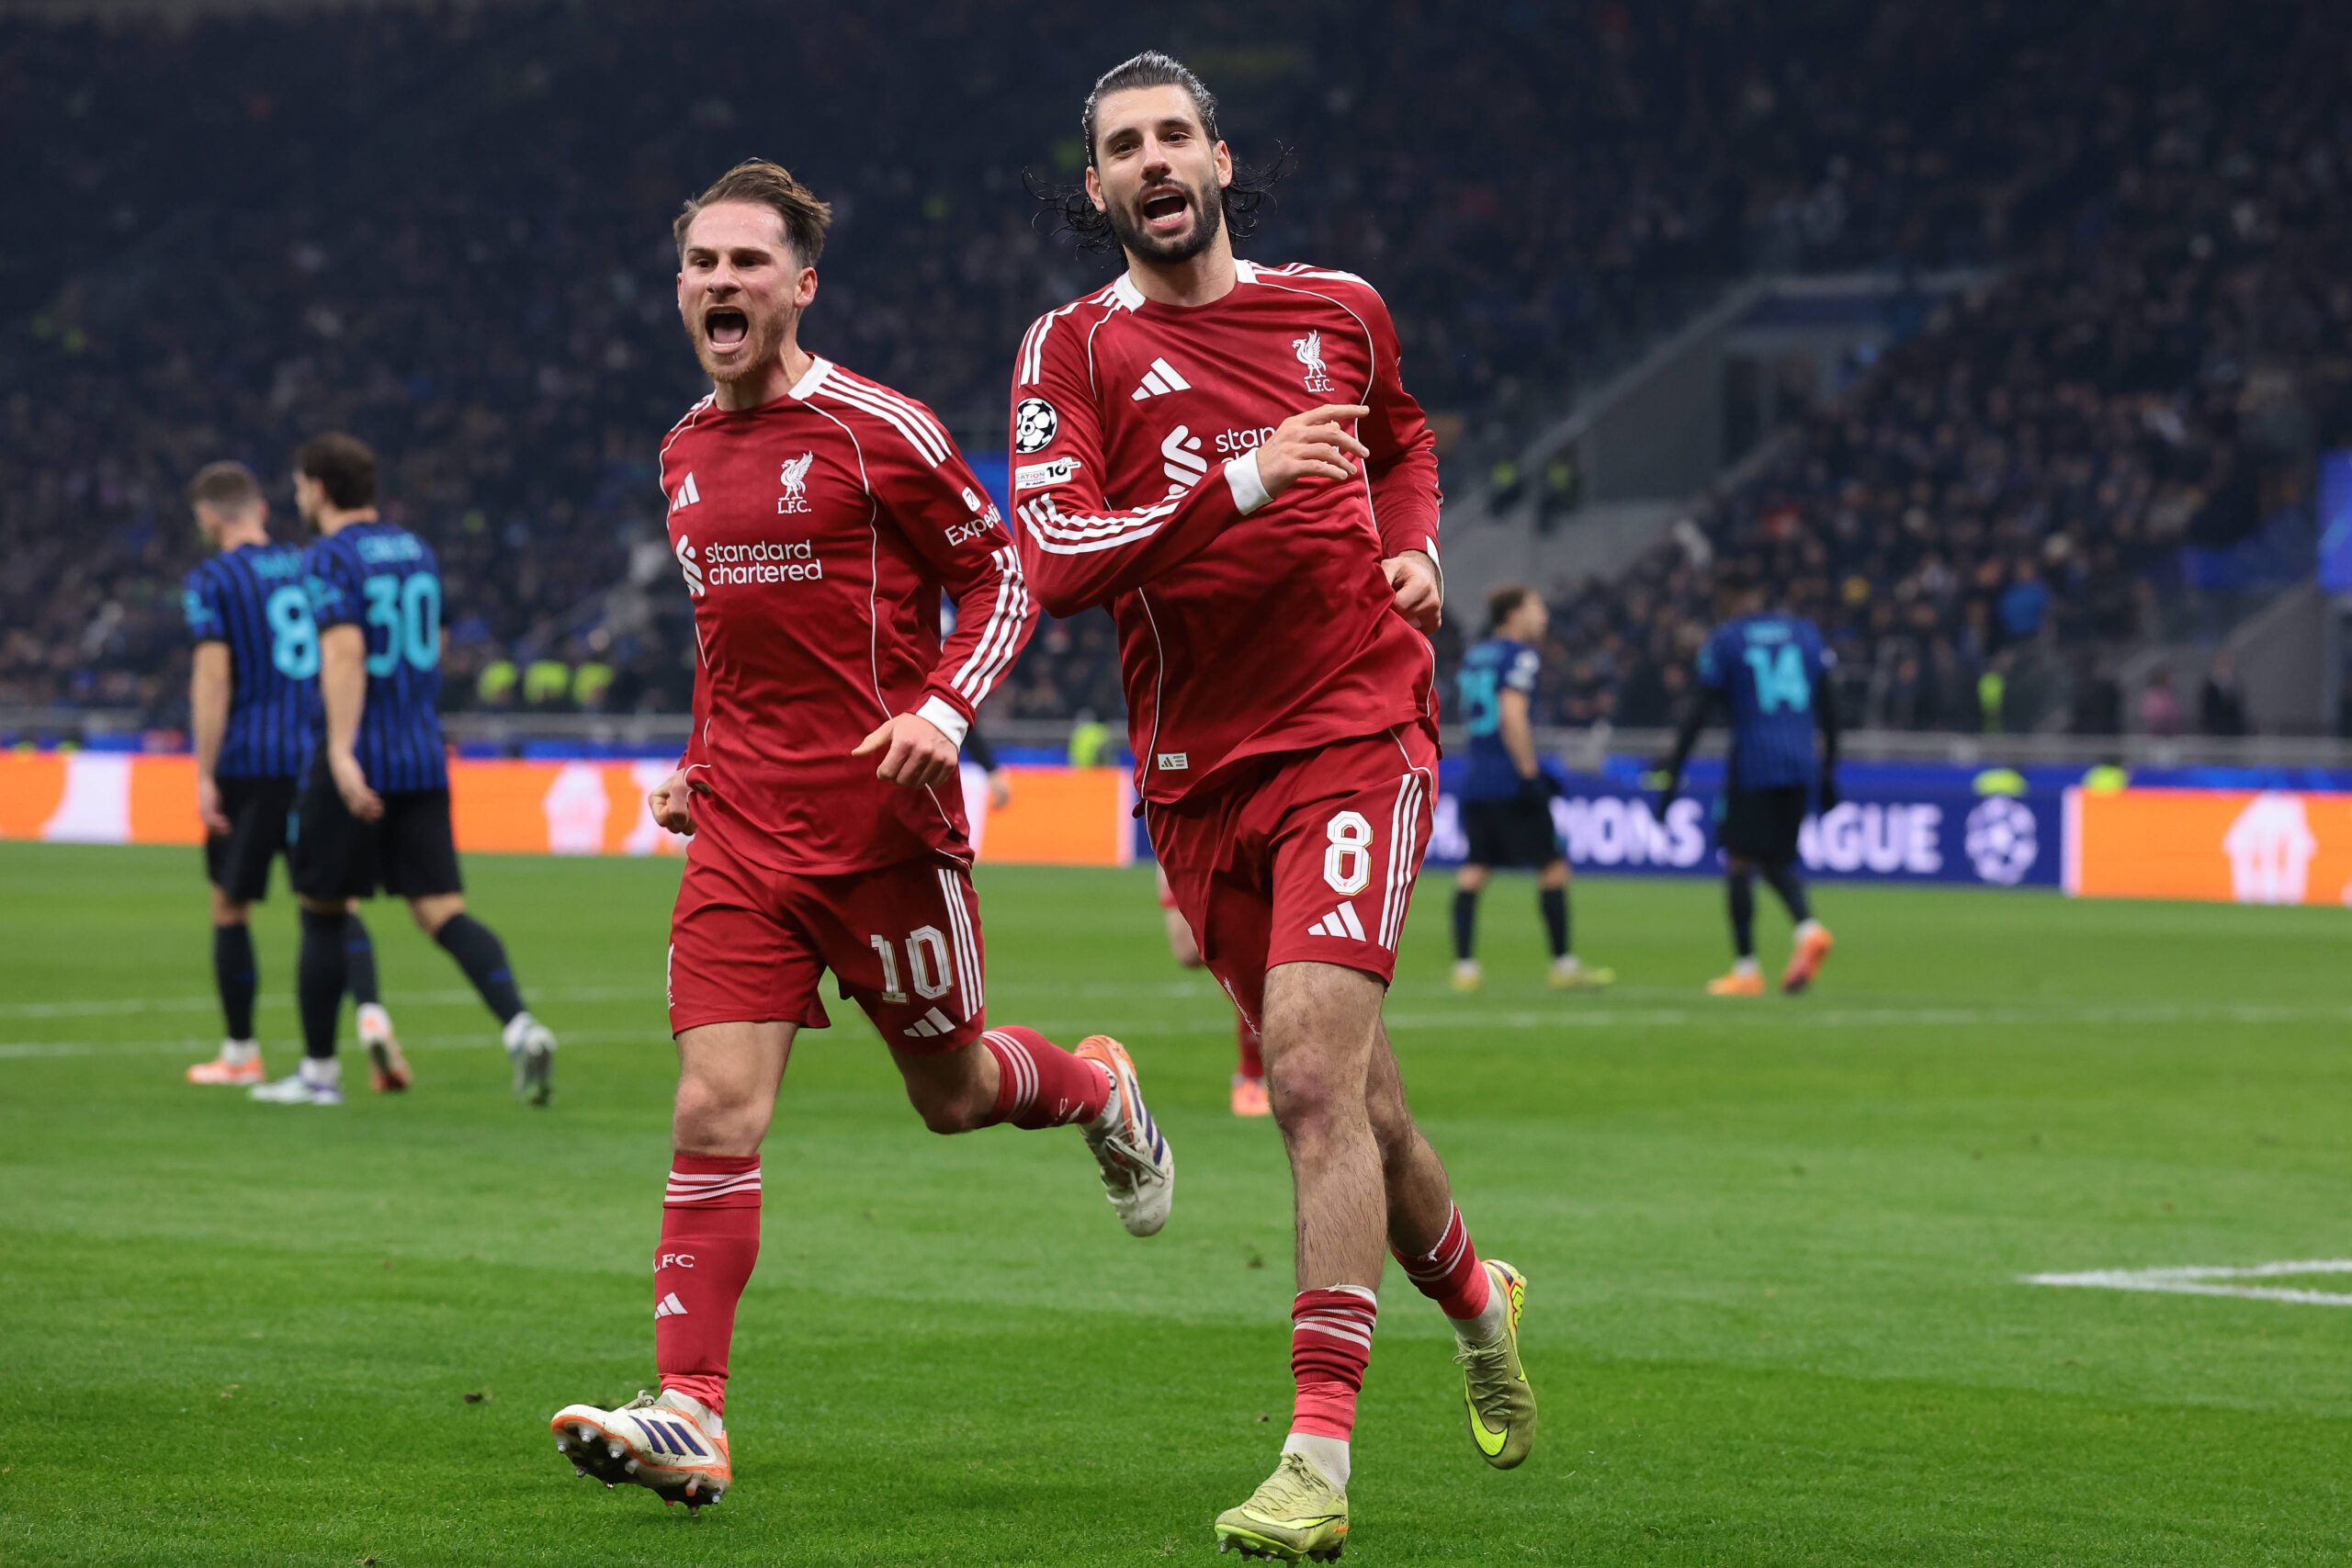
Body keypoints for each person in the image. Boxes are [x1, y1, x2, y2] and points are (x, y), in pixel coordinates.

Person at [548, 161, 1172, 1513]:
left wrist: (943, 709)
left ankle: (1097, 1090)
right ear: (679, 288)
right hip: (741, 839)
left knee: (953, 1095)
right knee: (713, 1106)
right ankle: (690, 1408)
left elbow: (1000, 573)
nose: (721, 282)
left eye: (748, 262)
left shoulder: (876, 428)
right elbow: (727, 642)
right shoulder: (681, 450)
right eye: (701, 263)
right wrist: (696, 759)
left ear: (802, 285)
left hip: (883, 835)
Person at [1013, 54, 1534, 1558]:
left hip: (1357, 727)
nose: (1155, 159)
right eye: (1125, 145)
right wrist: (1239, 483)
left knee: (1304, 1073)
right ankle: (1477, 1295)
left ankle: (1315, 1456)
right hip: (1199, 777)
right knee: (1364, 1101)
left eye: (1176, 134)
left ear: (1222, 160)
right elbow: (1055, 556)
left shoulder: (1338, 310)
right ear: (1099, 187)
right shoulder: (1073, 349)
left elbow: (1403, 441)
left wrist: (1415, 546)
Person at [252, 433, 556, 1105]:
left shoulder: (328, 556)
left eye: (300, 485)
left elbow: (345, 654)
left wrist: (340, 751)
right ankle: (520, 1025)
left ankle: (319, 1075)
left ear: (319, 488)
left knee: (322, 908)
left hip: (358, 756)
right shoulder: (416, 550)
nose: (298, 496)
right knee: (443, 911)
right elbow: (436, 642)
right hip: (419, 753)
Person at [179, 461, 397, 1086]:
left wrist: (204, 771)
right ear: (262, 509)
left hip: (250, 760)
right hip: (314, 756)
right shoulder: (308, 565)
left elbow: (214, 677)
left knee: (230, 905)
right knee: (332, 901)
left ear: (209, 518)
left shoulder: (213, 579)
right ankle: (373, 1015)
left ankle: (241, 1053)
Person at [1657, 570, 1839, 998]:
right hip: (1801, 763)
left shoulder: (1727, 639)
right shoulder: (1806, 634)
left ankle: (1746, 970)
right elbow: (1831, 710)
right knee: (1775, 861)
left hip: (1754, 763)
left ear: (1729, 596)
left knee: (1739, 861)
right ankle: (1808, 930)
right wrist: (1829, 773)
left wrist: (1672, 777)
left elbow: (1698, 714)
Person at [1449, 584, 1611, 993]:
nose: (1544, 616)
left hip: (1476, 776)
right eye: (1536, 607)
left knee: (1474, 870)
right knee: (1553, 868)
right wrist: (1529, 774)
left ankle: (1465, 968)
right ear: (1514, 614)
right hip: (1509, 778)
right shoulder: (1520, 655)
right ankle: (1563, 965)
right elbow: (1512, 715)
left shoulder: (1475, 655)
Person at [1158, 862, 1271, 1117]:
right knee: (1188, 952)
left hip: (1242, 846)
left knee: (1252, 943)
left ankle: (1252, 1074)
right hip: (1186, 843)